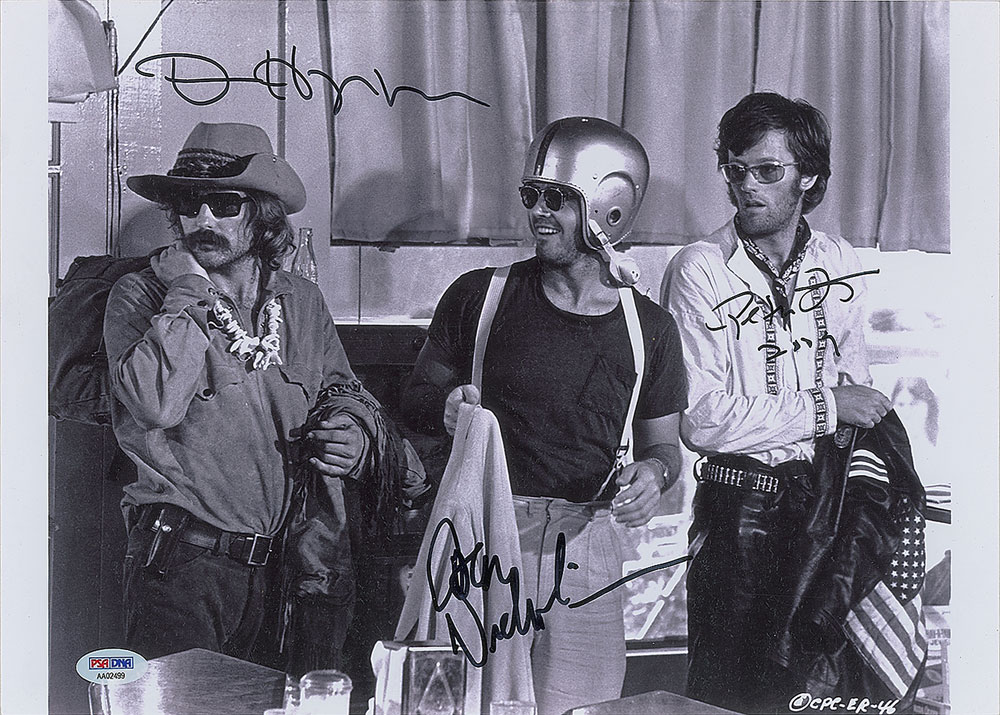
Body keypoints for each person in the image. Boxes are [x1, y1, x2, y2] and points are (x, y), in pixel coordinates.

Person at [402, 116, 688, 715]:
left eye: (557, 199)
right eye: (532, 195)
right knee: (465, 707)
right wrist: (445, 406)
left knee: (581, 709)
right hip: (481, 535)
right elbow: (415, 397)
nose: (537, 212)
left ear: (609, 207)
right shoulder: (479, 295)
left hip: (587, 547)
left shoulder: (651, 329)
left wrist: (654, 475)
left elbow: (664, 449)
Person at [660, 93, 899, 713]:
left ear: (808, 176)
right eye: (736, 170)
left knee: (815, 692)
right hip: (738, 514)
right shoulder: (700, 269)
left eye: (767, 170)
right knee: (727, 696)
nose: (746, 185)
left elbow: (858, 391)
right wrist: (825, 407)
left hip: (825, 507)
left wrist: (843, 418)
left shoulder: (839, 262)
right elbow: (701, 419)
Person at [105, 122, 371, 663]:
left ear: (263, 216)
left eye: (225, 204)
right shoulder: (140, 297)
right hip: (182, 566)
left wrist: (356, 438)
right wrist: (188, 289)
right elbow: (156, 403)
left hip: (285, 572)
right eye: (190, 204)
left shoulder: (300, 302)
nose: (203, 220)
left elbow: (344, 392)